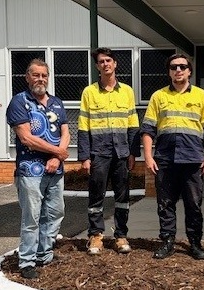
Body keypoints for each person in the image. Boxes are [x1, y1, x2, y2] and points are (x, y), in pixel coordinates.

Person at [140, 53, 204, 260]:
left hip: (193, 160)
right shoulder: (158, 97)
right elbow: (147, 130)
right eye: (174, 67)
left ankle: (195, 243)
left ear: (189, 71)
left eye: (182, 66)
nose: (178, 70)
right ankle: (167, 242)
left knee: (193, 204)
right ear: (169, 72)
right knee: (165, 203)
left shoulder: (201, 96)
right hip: (165, 159)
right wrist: (148, 156)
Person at [6, 59, 70, 279]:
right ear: (27, 77)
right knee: (32, 217)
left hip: (55, 169)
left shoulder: (57, 102)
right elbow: (27, 138)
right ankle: (27, 262)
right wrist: (59, 153)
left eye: (44, 75)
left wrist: (57, 156)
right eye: (36, 75)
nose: (40, 79)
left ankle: (44, 254)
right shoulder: (19, 102)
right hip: (30, 170)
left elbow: (65, 132)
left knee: (55, 212)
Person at [78, 47, 140, 255]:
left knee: (123, 197)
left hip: (122, 153)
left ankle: (121, 236)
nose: (105, 64)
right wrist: (85, 156)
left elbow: (133, 124)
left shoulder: (128, 92)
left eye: (109, 61)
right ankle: (96, 236)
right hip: (99, 153)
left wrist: (133, 153)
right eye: (101, 61)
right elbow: (83, 126)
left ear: (115, 64)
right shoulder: (89, 92)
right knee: (96, 196)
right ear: (97, 66)